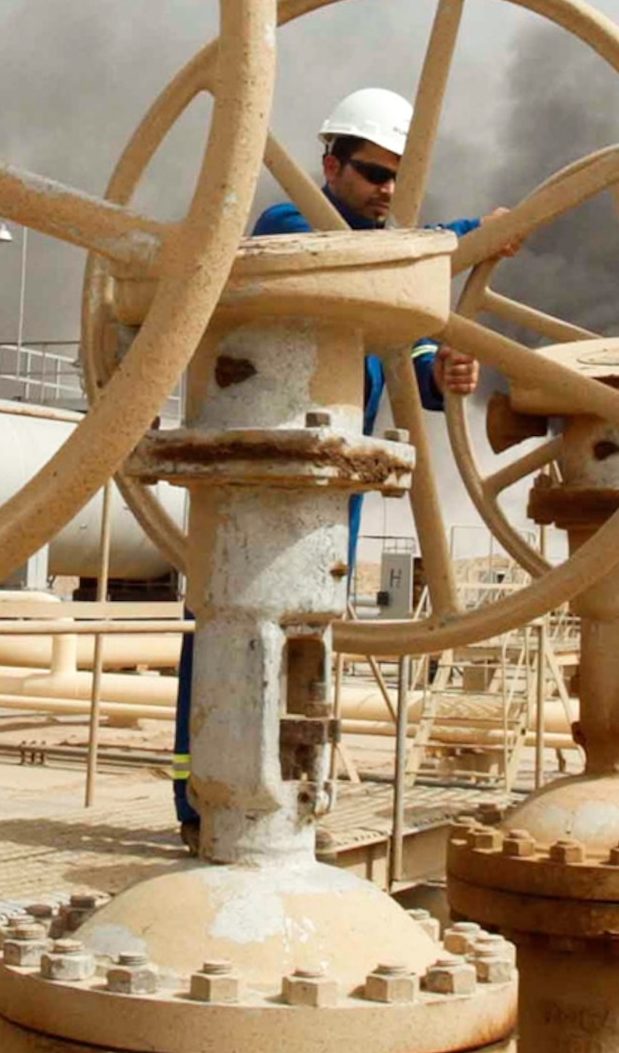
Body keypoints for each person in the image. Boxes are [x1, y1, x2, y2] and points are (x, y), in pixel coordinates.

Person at [168, 88, 501, 849]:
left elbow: (407, 353)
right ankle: (204, 806)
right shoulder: (290, 228)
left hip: (328, 493)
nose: (385, 191)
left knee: (307, 642)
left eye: (395, 178)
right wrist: (462, 237)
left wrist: (442, 373)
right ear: (329, 164)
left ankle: (291, 797)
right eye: (372, 173)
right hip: (253, 486)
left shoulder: (382, 280)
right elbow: (358, 258)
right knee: (226, 633)